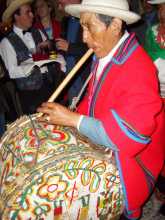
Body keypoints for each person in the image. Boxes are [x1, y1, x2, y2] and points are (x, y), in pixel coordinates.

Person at [37, 0, 165, 219]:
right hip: (104, 151)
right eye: (83, 27)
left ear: (115, 25)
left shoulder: (138, 69)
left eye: (90, 27)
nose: (85, 37)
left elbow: (130, 138)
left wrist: (73, 120)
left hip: (129, 167)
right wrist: (64, 115)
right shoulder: (106, 54)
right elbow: (93, 101)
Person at [0, 0, 65, 114]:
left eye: (31, 11)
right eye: (28, 12)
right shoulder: (6, 42)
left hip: (50, 85)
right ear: (16, 16)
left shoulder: (39, 32)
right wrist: (32, 65)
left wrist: (51, 49)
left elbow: (52, 54)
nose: (32, 15)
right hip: (30, 95)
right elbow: (12, 71)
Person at [145, 0, 165, 217]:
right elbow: (148, 62)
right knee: (158, 144)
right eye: (160, 7)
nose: (162, 11)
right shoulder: (152, 31)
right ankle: (159, 193)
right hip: (158, 97)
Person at [55, 0, 92, 105]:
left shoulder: (89, 17)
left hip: (85, 76)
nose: (59, 8)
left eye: (61, 3)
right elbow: (63, 43)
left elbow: (93, 47)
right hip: (70, 77)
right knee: (73, 109)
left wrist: (70, 47)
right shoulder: (65, 21)